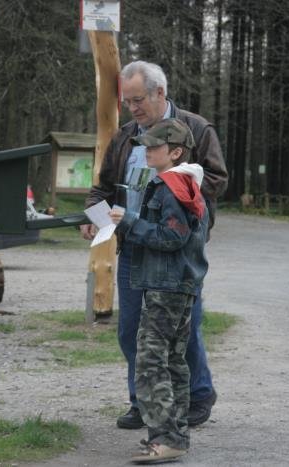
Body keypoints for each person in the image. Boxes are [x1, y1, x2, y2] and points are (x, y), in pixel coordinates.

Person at [81, 61, 228, 429]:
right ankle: (143, 401)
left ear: (159, 92)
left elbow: (217, 178)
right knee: (131, 329)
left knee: (183, 328)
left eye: (138, 100)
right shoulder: (125, 135)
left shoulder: (195, 128)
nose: (133, 108)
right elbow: (103, 186)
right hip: (133, 246)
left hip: (177, 250)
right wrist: (92, 214)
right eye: (127, 101)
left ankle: (197, 395)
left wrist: (175, 189)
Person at [110, 118, 208, 463]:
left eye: (155, 146)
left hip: (167, 286)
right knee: (173, 362)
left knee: (151, 362)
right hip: (178, 285)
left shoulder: (173, 187)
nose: (147, 151)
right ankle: (175, 437)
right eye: (146, 145)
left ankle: (166, 438)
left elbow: (172, 237)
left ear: (176, 151)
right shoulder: (183, 182)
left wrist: (129, 222)